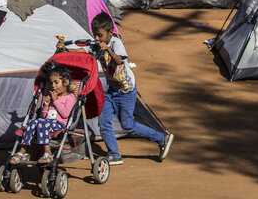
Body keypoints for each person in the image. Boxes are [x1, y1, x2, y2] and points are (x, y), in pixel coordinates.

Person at [57, 12, 174, 165]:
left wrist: (107, 50)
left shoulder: (116, 43)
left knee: (128, 125)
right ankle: (114, 154)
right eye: (95, 35)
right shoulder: (97, 45)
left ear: (110, 33)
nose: (97, 38)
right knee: (104, 120)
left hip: (126, 91)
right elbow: (83, 52)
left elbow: (119, 60)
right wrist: (65, 49)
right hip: (112, 90)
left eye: (100, 35)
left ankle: (161, 138)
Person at [9, 60, 76, 164]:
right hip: (47, 123)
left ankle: (47, 152)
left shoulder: (70, 97)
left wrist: (56, 101)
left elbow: (65, 114)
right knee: (32, 122)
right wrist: (45, 107)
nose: (53, 86)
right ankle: (23, 152)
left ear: (66, 83)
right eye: (51, 83)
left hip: (60, 124)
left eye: (56, 82)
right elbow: (44, 117)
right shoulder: (53, 96)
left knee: (41, 123)